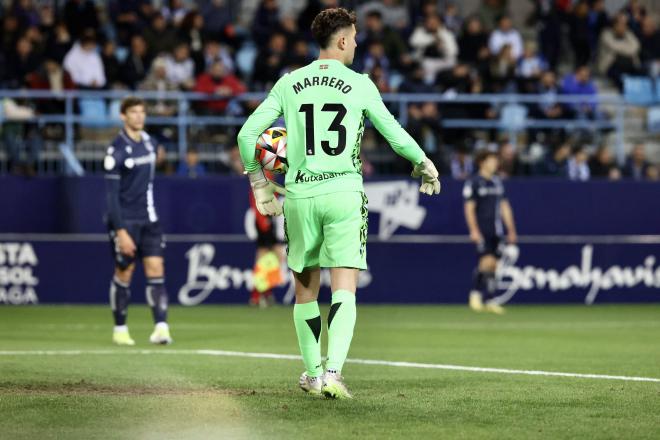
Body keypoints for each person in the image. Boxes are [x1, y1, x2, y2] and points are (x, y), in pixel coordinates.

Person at [237, 8, 440, 399]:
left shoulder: (289, 82)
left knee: (305, 292)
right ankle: (333, 373)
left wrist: (261, 184)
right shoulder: (360, 84)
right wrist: (423, 163)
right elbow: (394, 133)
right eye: (355, 37)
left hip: (299, 196)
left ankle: (312, 375)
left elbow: (248, 136)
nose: (357, 44)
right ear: (343, 40)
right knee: (344, 288)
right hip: (344, 193)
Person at [104, 96, 172, 346]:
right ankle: (120, 329)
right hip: (125, 222)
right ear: (123, 116)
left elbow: (158, 157)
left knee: (156, 270)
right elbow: (111, 198)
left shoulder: (150, 143)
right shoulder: (116, 150)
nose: (139, 116)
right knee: (125, 272)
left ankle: (161, 329)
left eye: (142, 112)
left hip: (150, 218)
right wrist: (120, 231)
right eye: (133, 112)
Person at [463, 150, 517, 314]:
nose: (495, 163)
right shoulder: (474, 182)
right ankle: (475, 296)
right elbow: (469, 208)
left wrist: (511, 229)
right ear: (482, 162)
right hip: (482, 229)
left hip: (497, 230)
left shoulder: (497, 183)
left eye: (496, 160)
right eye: (492, 160)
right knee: (486, 262)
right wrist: (473, 230)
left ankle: (490, 299)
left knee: (494, 266)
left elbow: (505, 207)